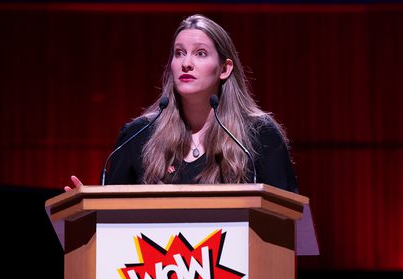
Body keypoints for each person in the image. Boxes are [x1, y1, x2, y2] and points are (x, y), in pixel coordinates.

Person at [65, 14, 298, 193]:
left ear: (225, 69)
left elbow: (287, 221)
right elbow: (109, 218)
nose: (186, 63)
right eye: (179, 53)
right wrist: (85, 210)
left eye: (200, 53)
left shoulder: (259, 135)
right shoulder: (138, 135)